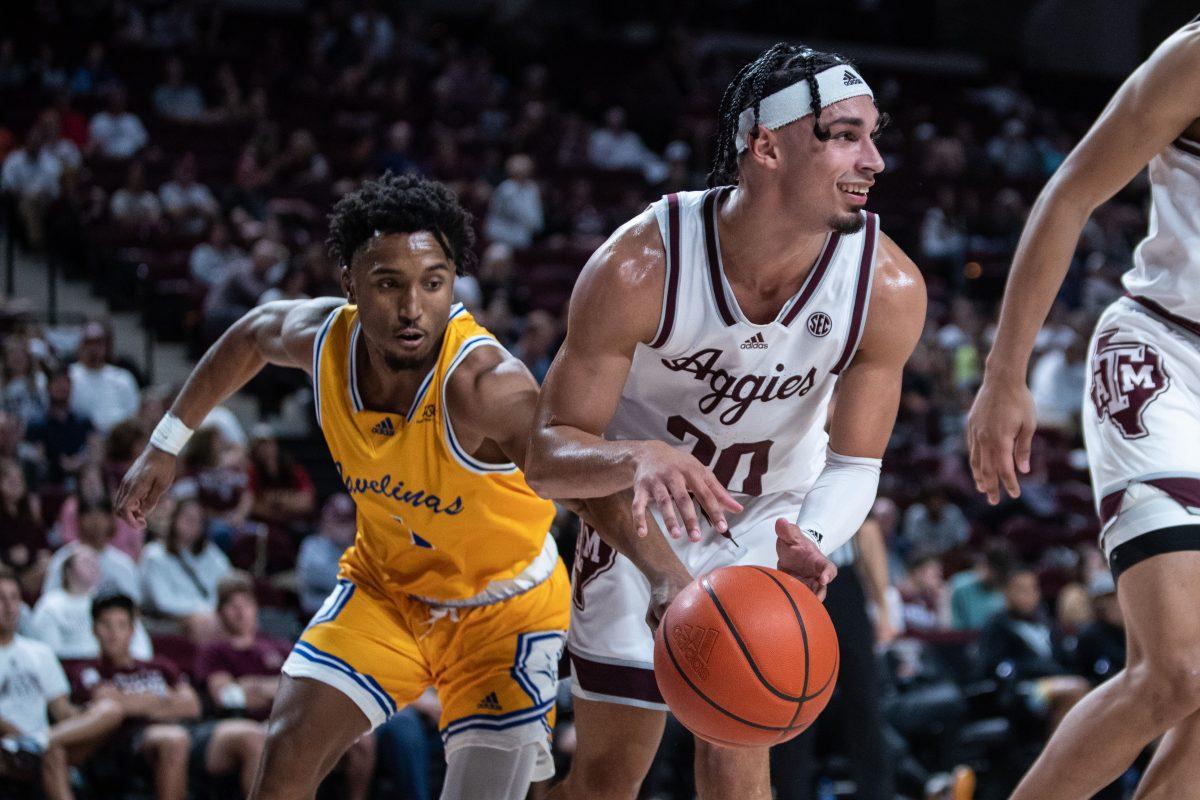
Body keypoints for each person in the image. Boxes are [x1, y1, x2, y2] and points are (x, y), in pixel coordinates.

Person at [525, 43, 926, 800]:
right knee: (607, 782)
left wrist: (811, 537)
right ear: (765, 145)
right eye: (844, 134)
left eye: (875, 134)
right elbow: (546, 456)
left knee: (741, 761)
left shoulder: (888, 284)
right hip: (636, 513)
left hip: (768, 520)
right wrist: (634, 457)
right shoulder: (641, 265)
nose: (873, 158)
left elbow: (856, 465)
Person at [115, 172, 574, 800]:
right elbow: (252, 333)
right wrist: (166, 443)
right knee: (285, 754)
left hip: (506, 609)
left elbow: (582, 484)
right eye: (389, 284)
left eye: (432, 284)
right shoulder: (328, 340)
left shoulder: (489, 385)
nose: (412, 308)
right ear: (350, 284)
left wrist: (662, 579)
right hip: (387, 590)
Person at [966, 19, 1200, 799]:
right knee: (1175, 673)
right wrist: (1005, 373)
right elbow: (1070, 193)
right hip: (1163, 355)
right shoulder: (1195, 55)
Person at [195, 572, 373, 797]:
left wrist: (258, 686)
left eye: (246, 604)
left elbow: (312, 688)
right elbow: (229, 697)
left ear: (256, 608)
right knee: (263, 739)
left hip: (289, 718)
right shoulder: (215, 651)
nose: (240, 611)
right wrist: (283, 688)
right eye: (232, 606)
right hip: (241, 724)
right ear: (220, 613)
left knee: (360, 738)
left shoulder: (279, 646)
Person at [0, 566, 125, 800]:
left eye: (14, 598)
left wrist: (87, 712)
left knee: (110, 708)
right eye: (1, 598)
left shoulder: (40, 652)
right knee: (52, 753)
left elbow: (61, 710)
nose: (9, 606)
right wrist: (18, 737)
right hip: (5, 747)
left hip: (45, 741)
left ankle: (36, 743)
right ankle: (34, 743)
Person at [138, 496, 230, 641]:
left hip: (210, 615)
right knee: (205, 624)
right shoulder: (154, 554)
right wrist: (201, 613)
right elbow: (162, 601)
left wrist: (211, 612)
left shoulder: (212, 555)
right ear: (174, 519)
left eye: (198, 520)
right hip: (166, 618)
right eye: (187, 517)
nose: (192, 523)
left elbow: (226, 587)